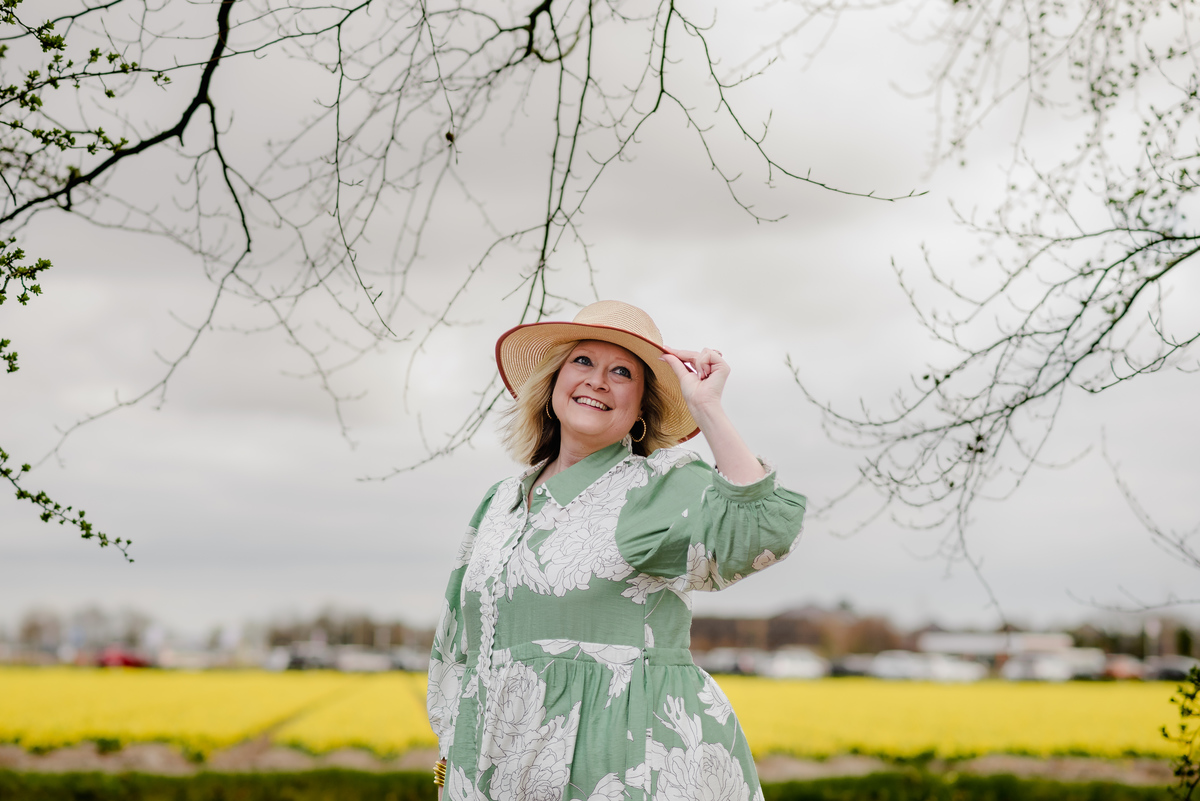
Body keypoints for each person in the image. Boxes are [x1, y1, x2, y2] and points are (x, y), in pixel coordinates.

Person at [426, 300, 806, 801]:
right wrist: (454, 755)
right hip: (493, 770)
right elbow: (455, 643)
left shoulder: (652, 487)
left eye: (622, 371)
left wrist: (706, 407)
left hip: (618, 766)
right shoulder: (500, 501)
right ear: (553, 381)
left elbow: (765, 528)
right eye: (583, 361)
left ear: (641, 406)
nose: (598, 381)